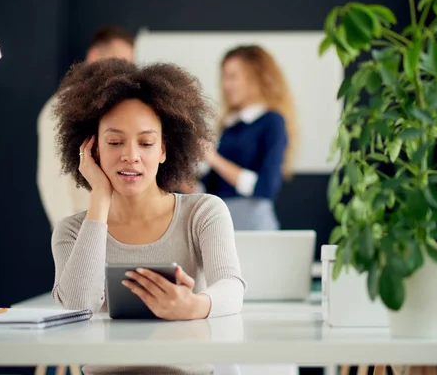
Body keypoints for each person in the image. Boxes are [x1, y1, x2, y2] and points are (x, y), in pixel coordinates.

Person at [50, 58, 246, 374]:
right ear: (93, 149)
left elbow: (232, 288)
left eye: (146, 142)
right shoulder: (71, 231)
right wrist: (99, 197)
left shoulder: (203, 212)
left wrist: (192, 305)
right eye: (114, 142)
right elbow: (77, 308)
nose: (131, 155)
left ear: (164, 150)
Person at [37, 26, 135, 229]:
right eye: (118, 61)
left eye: (128, 64)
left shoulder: (122, 107)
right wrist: (69, 234)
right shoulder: (62, 107)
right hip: (82, 227)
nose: (123, 71)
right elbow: (52, 178)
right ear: (94, 56)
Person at [200, 45, 298, 230]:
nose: (225, 85)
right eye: (224, 77)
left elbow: (265, 187)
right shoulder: (229, 125)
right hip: (221, 223)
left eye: (232, 77)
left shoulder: (272, 121)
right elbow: (210, 187)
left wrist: (214, 159)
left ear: (256, 78)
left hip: (253, 224)